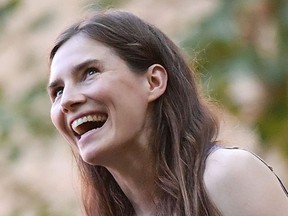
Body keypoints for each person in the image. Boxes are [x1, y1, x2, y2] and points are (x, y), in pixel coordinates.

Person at [47, 10, 288, 216]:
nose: (67, 100)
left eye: (90, 72)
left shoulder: (228, 175)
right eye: (57, 91)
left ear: (153, 82)